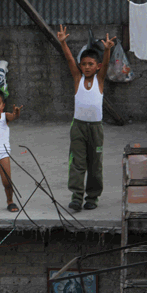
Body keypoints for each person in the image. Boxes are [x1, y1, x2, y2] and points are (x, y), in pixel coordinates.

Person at [57, 25, 116, 211]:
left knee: (95, 163)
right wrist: (63, 43)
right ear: (80, 66)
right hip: (79, 127)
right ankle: (76, 196)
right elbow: (68, 60)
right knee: (77, 162)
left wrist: (107, 50)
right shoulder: (78, 79)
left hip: (95, 128)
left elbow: (106, 65)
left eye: (91, 64)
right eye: (84, 64)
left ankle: (92, 197)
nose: (87, 67)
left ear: (97, 66)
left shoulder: (99, 80)